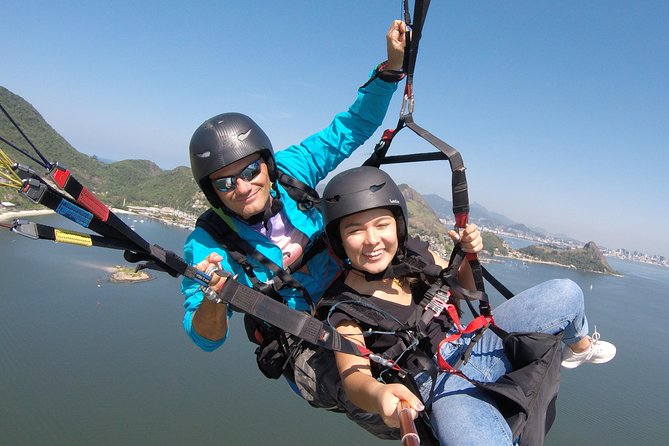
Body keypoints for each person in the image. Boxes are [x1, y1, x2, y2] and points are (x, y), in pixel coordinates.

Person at [319, 166, 617, 445]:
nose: (372, 240)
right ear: (340, 240)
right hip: (440, 388)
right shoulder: (345, 308)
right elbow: (354, 377)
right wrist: (378, 393)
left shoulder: (415, 257)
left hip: (474, 342)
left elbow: (466, 291)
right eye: (355, 230)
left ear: (397, 226)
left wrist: (469, 256)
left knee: (566, 292)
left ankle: (579, 347)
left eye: (381, 224)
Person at [181, 21, 406, 357]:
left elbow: (351, 127)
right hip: (307, 337)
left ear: (267, 165)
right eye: (226, 183)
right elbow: (207, 339)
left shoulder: (292, 170)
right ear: (212, 192)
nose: (243, 187)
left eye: (250, 170)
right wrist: (214, 295)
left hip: (355, 289)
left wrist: (391, 67)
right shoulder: (208, 243)